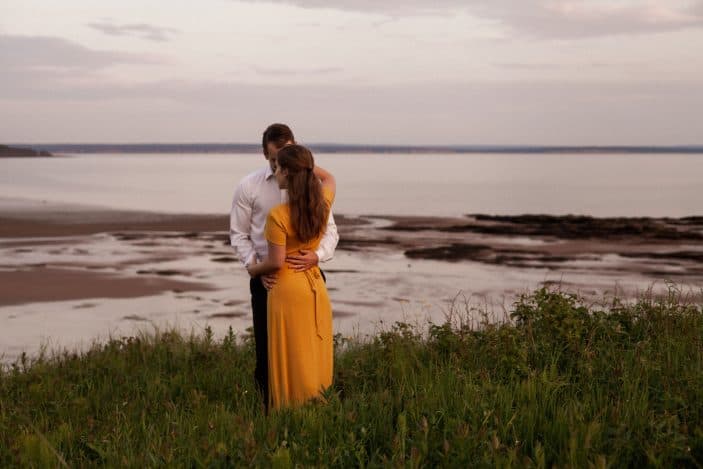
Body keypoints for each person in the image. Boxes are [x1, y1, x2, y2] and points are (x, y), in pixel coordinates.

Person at [230, 124, 339, 412]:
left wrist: (316, 256)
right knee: (268, 352)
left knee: (310, 344)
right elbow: (239, 234)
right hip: (268, 280)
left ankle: (305, 404)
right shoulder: (249, 186)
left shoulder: (313, 191)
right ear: (264, 154)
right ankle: (268, 409)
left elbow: (331, 233)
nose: (277, 164)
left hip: (308, 274)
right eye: (273, 159)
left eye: (284, 157)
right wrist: (256, 267)